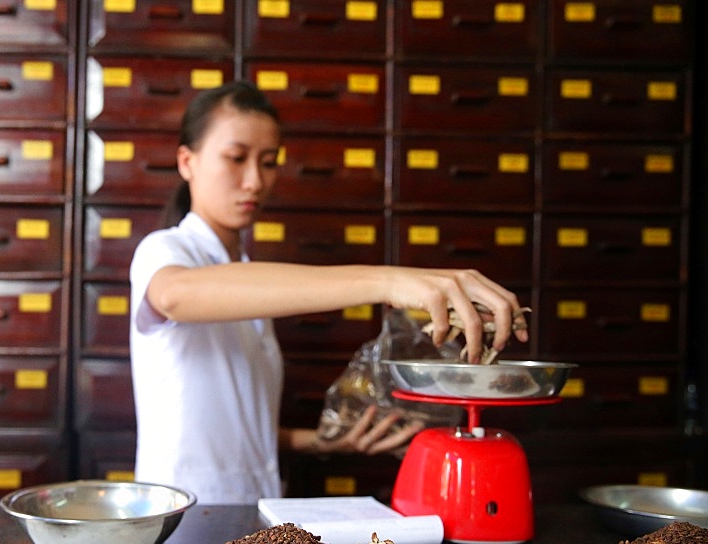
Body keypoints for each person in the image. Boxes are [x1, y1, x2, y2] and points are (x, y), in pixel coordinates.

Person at [128, 81, 529, 504]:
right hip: (183, 511)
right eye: (236, 158)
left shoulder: (244, 275)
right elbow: (174, 295)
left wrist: (324, 441)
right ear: (186, 161)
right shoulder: (165, 250)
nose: (254, 181)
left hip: (251, 505)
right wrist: (387, 280)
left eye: (268, 162)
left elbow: (232, 427)